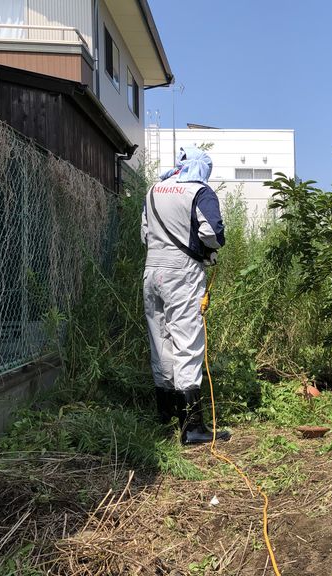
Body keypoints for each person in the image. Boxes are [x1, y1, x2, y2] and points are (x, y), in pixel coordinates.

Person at [141, 146, 230, 444]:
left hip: (152, 270)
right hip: (182, 273)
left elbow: (144, 233)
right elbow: (212, 233)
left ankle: (166, 417)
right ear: (202, 168)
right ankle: (192, 427)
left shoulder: (154, 190)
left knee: (160, 341)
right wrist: (208, 250)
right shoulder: (199, 192)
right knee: (187, 343)